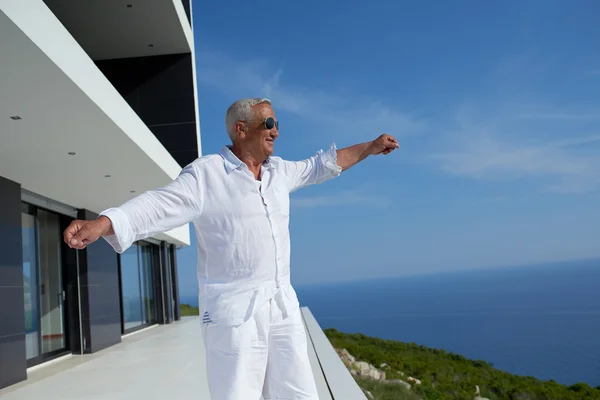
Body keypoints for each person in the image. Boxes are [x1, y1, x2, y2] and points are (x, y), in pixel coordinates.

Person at [63, 98, 399, 400]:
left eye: (277, 124)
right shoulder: (206, 175)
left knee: (300, 394)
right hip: (234, 314)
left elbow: (321, 165)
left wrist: (369, 147)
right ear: (241, 129)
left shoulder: (278, 172)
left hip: (282, 306)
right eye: (268, 124)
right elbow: (157, 205)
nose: (276, 132)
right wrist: (104, 223)